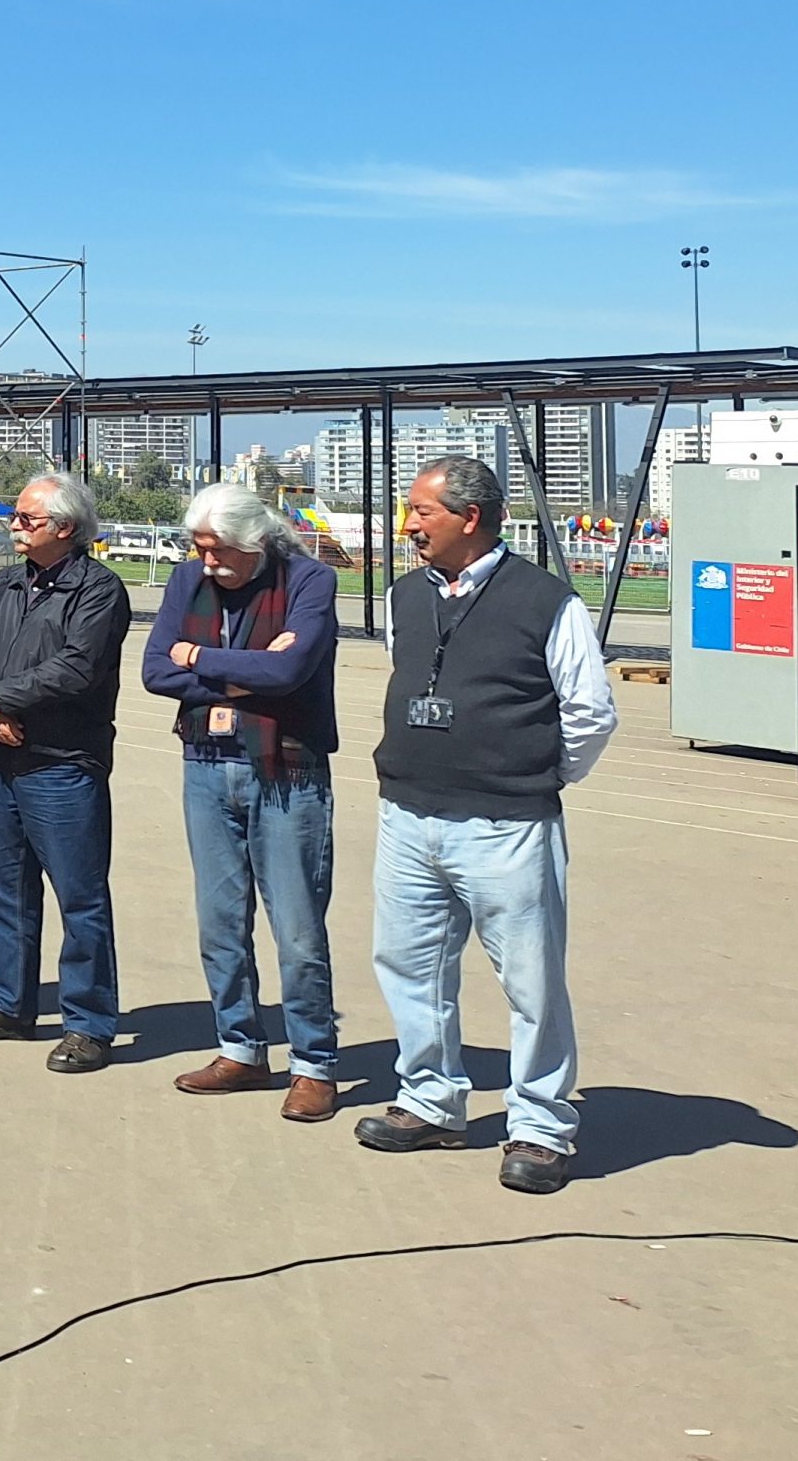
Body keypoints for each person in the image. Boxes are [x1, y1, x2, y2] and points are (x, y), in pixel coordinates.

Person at [357, 456, 617, 1196]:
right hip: (410, 814)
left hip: (506, 825)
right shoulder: (407, 595)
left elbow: (589, 713)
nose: (408, 526)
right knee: (409, 966)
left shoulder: (546, 602)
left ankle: (539, 1128)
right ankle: (430, 1101)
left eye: (420, 513)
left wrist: (535, 775)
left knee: (531, 981)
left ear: (469, 518)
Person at [141, 483, 343, 1121]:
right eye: (199, 549)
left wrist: (197, 657)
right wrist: (251, 665)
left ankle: (313, 1064)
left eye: (219, 551)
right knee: (219, 921)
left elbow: (291, 674)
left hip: (286, 768)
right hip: (205, 762)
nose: (207, 563)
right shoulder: (185, 581)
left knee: (298, 927)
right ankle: (240, 1048)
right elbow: (153, 670)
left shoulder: (310, 581)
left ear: (256, 544)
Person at [0, 470, 130, 1072]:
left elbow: (78, 667)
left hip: (61, 764)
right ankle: (8, 1003)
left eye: (27, 519)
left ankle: (88, 1024)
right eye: (16, 517)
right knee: (1, 889)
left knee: (79, 898)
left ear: (65, 528)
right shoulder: (5, 583)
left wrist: (4, 701)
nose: (14, 526)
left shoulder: (98, 590)